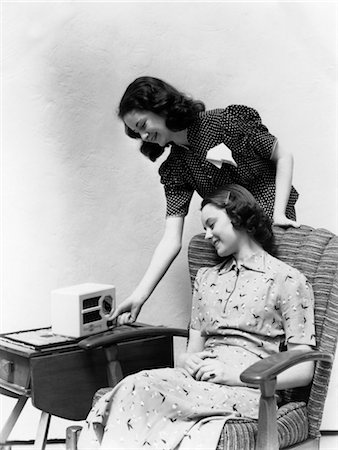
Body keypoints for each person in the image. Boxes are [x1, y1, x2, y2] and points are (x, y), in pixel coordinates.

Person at [78, 184, 315, 450]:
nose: (207, 235)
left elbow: (304, 369)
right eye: (205, 228)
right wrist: (188, 361)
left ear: (238, 215)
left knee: (139, 387)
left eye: (212, 224)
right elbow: (190, 353)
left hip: (249, 390)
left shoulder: (287, 279)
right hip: (197, 384)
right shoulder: (206, 279)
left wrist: (234, 374)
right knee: (135, 384)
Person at [112, 76, 300, 325]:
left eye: (143, 124)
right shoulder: (176, 166)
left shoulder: (225, 122)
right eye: (137, 132)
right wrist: (140, 295)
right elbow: (171, 239)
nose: (144, 135)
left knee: (275, 309)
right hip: (232, 241)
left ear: (159, 106)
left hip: (268, 228)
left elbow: (283, 156)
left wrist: (279, 215)